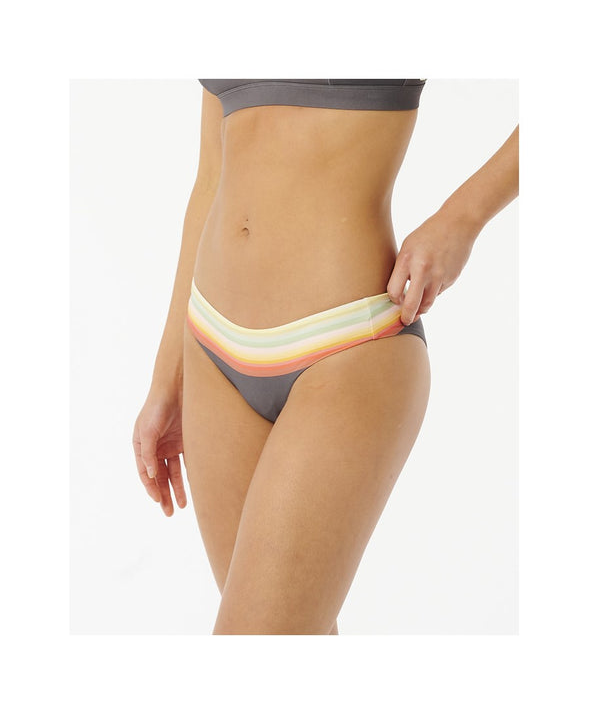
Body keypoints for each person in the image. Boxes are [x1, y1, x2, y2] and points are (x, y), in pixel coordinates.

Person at [132, 79, 519, 635]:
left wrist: (462, 219)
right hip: (211, 347)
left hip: (346, 344)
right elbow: (210, 177)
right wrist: (166, 378)